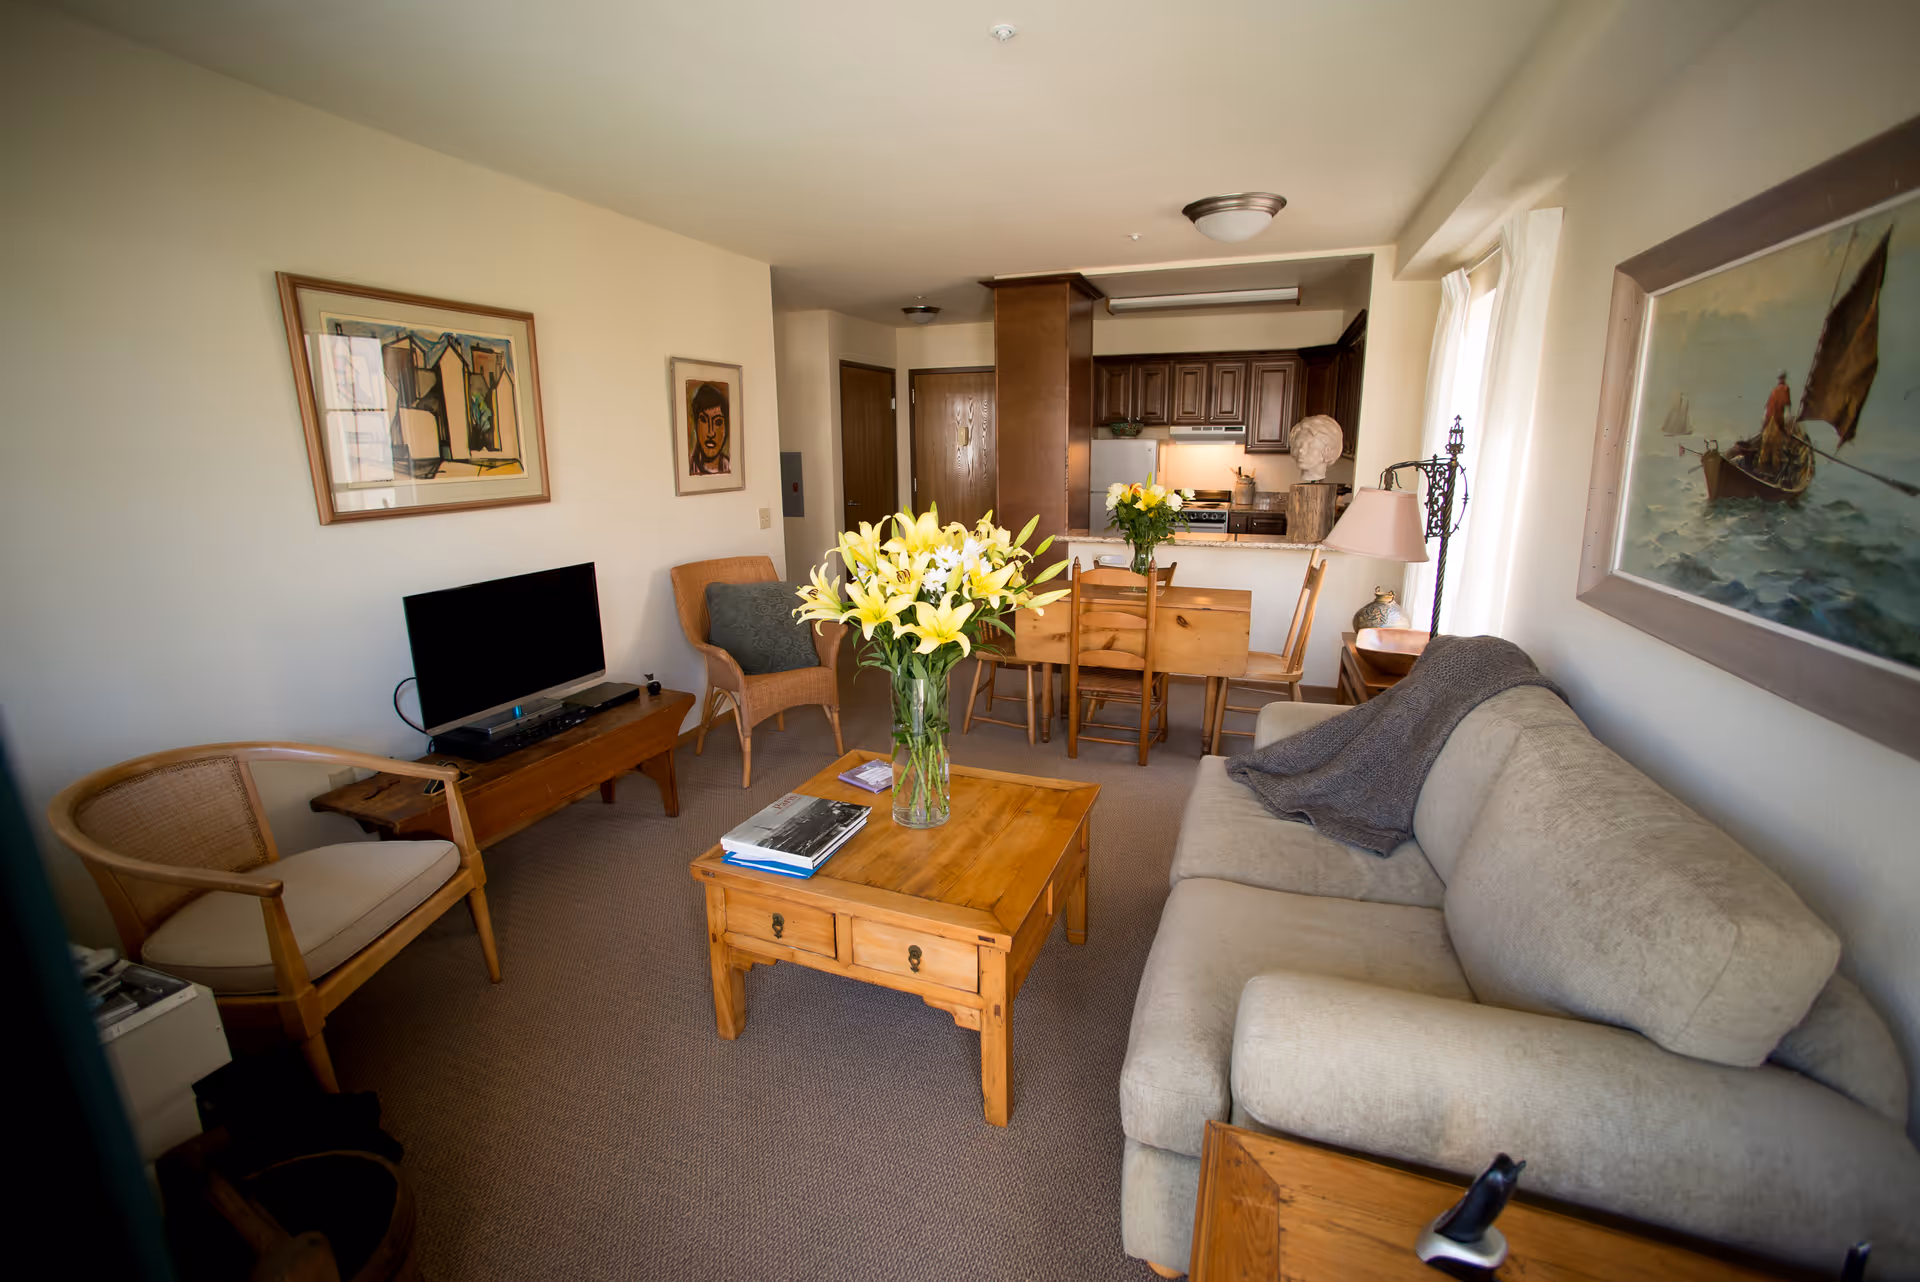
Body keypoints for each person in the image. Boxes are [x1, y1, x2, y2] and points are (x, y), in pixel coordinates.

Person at [1754, 369, 1802, 477]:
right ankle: (1775, 474)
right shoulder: (1785, 389)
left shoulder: (1773, 391)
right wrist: (1788, 429)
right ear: (1784, 378)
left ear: (1778, 379)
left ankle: (1761, 471)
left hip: (1767, 424)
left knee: (1764, 450)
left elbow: (1765, 411)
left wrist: (1762, 428)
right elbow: (1787, 412)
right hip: (1776, 424)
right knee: (1776, 452)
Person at [688, 381, 730, 476]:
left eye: (718, 422)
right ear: (696, 424)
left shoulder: (730, 467)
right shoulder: (688, 468)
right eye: (704, 420)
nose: (711, 433)